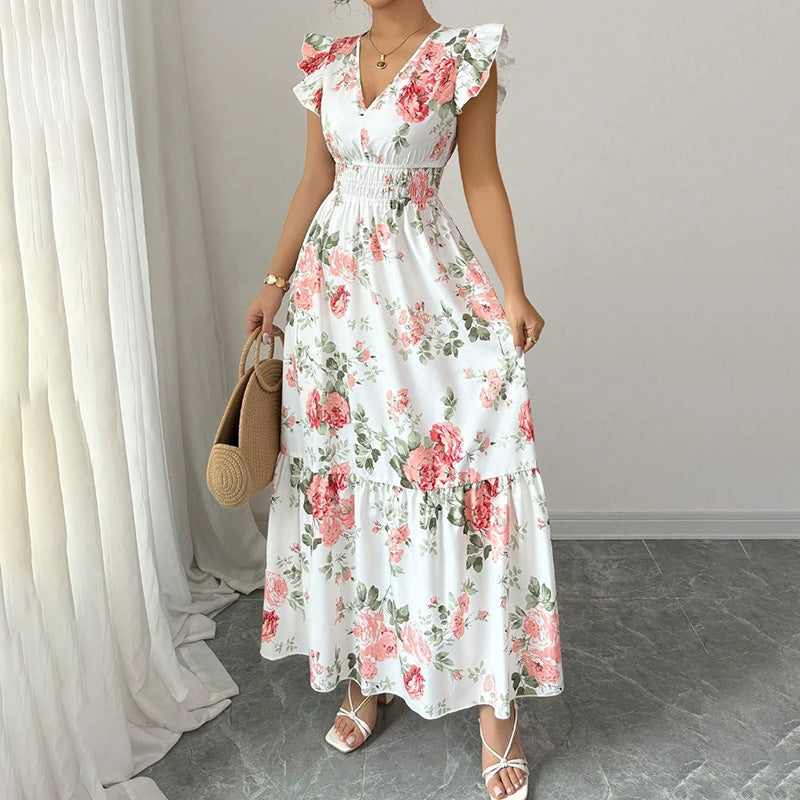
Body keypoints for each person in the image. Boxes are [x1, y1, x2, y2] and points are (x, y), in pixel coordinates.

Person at [246, 2, 564, 797]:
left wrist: (514, 292)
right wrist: (275, 282)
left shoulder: (463, 55)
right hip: (332, 302)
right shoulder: (330, 58)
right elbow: (316, 177)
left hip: (418, 291)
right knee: (351, 478)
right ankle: (368, 670)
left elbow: (482, 179)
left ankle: (498, 706)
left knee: (454, 472)